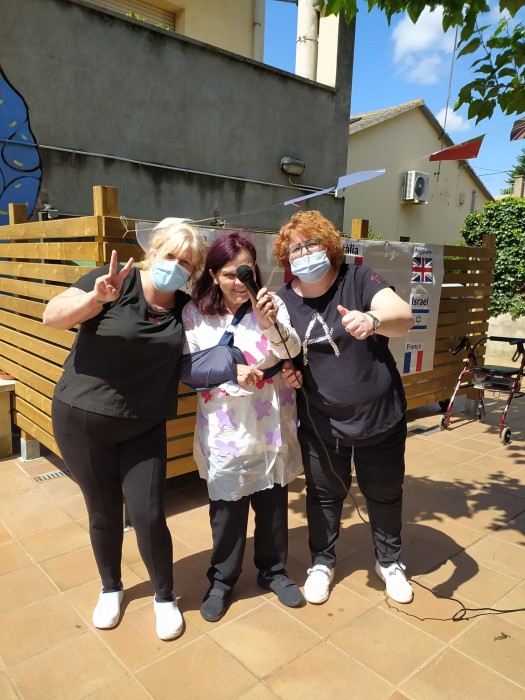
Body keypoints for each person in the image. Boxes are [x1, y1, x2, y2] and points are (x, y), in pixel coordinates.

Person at [43, 218, 207, 640]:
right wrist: (94, 300)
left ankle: (164, 597)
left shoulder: (185, 308)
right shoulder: (113, 280)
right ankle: (111, 587)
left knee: (150, 514)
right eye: (170, 256)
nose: (176, 267)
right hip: (82, 419)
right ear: (154, 252)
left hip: (144, 424)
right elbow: (52, 317)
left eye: (187, 263)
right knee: (103, 512)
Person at [273, 210, 415, 605]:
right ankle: (321, 563)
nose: (305, 252)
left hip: (379, 416)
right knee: (323, 495)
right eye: (295, 248)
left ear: (330, 246)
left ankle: (389, 562)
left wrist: (372, 319)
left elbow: (402, 317)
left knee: (384, 493)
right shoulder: (283, 300)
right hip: (322, 422)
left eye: (312, 243)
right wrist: (288, 371)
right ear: (287, 258)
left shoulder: (358, 278)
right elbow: (282, 353)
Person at [182, 231, 305, 622]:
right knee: (227, 509)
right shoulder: (194, 313)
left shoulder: (272, 304)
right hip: (226, 425)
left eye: (246, 272)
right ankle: (222, 579)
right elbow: (188, 366)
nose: (240, 282)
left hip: (270, 418)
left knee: (273, 502)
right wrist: (230, 370)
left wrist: (269, 323)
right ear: (213, 275)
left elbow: (292, 350)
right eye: (230, 274)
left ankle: (274, 571)